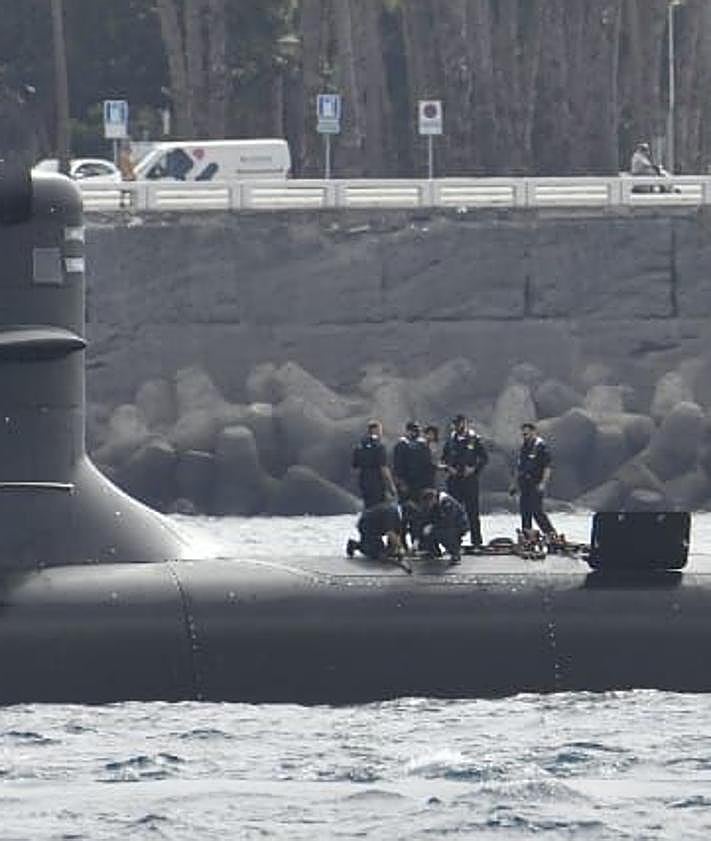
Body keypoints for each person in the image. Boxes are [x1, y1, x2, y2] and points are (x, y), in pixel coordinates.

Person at [441, 414, 488, 547]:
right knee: (453, 512)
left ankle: (477, 542)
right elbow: (443, 459)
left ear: (465, 423)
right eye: (455, 424)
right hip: (454, 480)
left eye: (459, 423)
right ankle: (455, 542)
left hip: (470, 480)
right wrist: (448, 468)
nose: (457, 426)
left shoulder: (474, 439)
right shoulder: (450, 440)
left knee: (473, 512)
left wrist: (474, 469)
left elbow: (484, 458)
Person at [510, 422, 557, 539]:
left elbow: (547, 467)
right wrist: (514, 484)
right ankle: (527, 536)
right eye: (523, 434)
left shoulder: (541, 447)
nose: (525, 436)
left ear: (533, 432)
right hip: (524, 483)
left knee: (537, 510)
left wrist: (543, 483)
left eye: (527, 433)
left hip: (536, 483)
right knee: (525, 511)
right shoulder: (524, 447)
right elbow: (519, 467)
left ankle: (550, 534)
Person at [392, 421, 434, 546]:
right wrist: (401, 483)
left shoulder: (409, 445)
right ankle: (409, 542)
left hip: (416, 487)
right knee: (410, 516)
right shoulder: (406, 445)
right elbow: (398, 467)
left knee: (415, 516)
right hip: (412, 486)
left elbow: (427, 467)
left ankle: (414, 542)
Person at [352, 420, 396, 508]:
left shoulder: (359, 446)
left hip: (364, 483)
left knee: (368, 508)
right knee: (380, 508)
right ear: (375, 430)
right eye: (380, 430)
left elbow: (355, 468)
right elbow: (383, 468)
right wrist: (391, 487)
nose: (381, 433)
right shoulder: (379, 446)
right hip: (377, 483)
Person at [418, 488, 469, 564]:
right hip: (444, 525)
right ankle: (434, 552)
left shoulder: (447, 502)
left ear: (433, 498)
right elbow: (430, 518)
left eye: (429, 502)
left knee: (446, 533)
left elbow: (449, 520)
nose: (429, 505)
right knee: (427, 531)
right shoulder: (435, 504)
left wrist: (433, 526)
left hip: (458, 525)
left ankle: (455, 554)